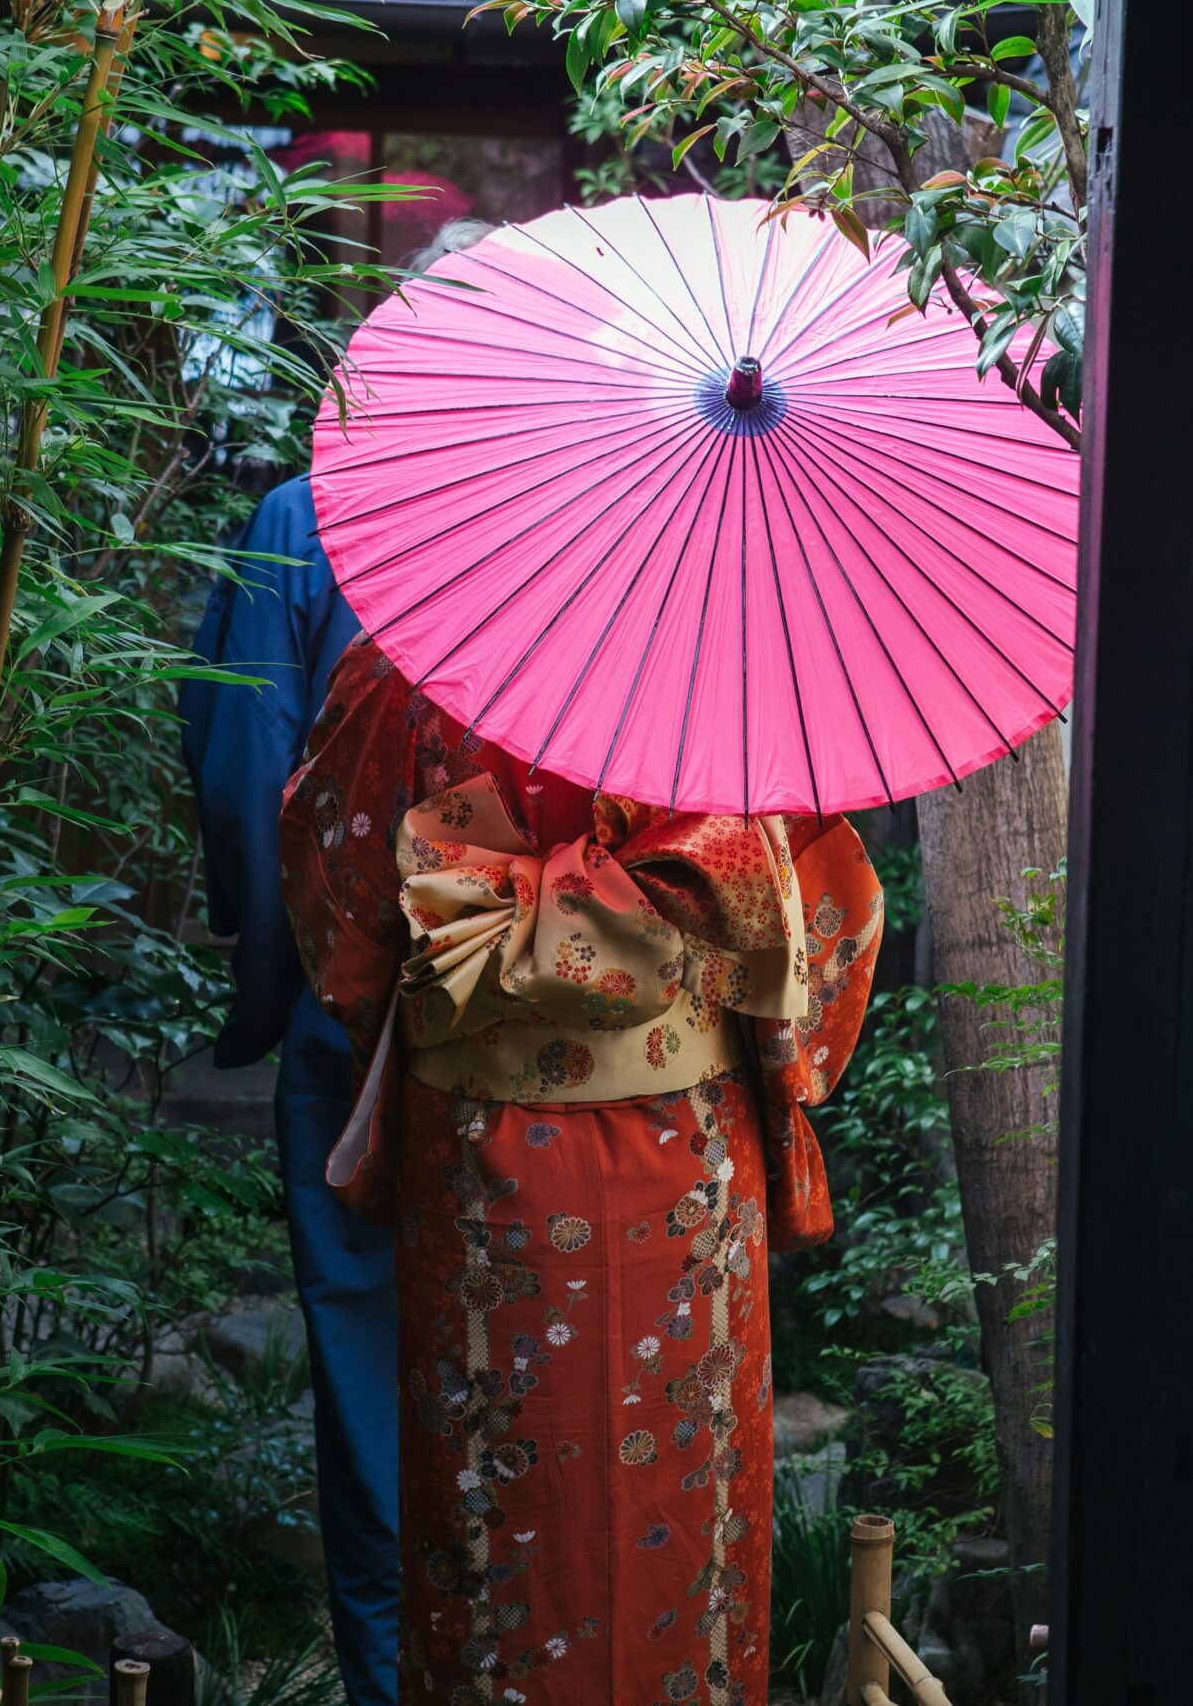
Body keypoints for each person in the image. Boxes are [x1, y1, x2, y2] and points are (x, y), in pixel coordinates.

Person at [280, 636, 882, 1705]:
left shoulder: (408, 662)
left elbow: (342, 913)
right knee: (677, 1532)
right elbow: (816, 931)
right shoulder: (735, 675)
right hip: (687, 1155)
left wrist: (490, 961)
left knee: (492, 1516)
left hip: (479, 1154)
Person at [178, 216, 496, 1706]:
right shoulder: (589, 540)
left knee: (371, 1367)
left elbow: (246, 770)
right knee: (535, 1360)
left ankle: (393, 1679)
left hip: (358, 999)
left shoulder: (308, 520)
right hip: (562, 1026)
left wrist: (278, 964)